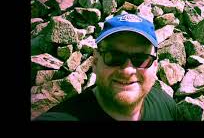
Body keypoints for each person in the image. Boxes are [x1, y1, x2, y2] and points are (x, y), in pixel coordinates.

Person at [34, 13, 179, 121]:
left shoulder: (166, 104)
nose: (128, 70)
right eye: (114, 56)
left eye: (141, 59)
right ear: (95, 62)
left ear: (154, 66)